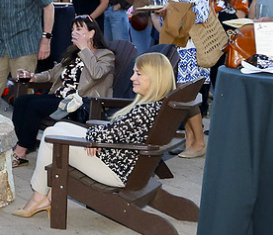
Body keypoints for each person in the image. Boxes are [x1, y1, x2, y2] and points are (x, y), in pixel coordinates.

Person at [15, 52, 175, 218]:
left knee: (51, 139)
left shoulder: (143, 112)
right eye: (134, 72)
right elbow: (115, 133)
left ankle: (39, 198)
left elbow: (110, 134)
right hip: (120, 159)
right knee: (60, 126)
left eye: (139, 74)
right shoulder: (153, 106)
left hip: (116, 170)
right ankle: (45, 197)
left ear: (155, 77)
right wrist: (96, 139)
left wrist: (95, 140)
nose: (132, 78)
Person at [10, 16, 117, 166]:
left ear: (92, 33)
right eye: (73, 30)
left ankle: (21, 151)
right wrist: (33, 77)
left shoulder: (105, 55)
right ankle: (25, 144)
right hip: (61, 98)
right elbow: (52, 73)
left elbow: (97, 73)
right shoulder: (73, 53)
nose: (74, 33)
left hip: (81, 103)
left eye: (79, 29)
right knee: (22, 101)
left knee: (34, 107)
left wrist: (84, 49)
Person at [150, 0, 211, 158]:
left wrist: (173, 8)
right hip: (175, 43)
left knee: (186, 95)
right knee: (180, 94)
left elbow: (203, 14)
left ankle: (200, 142)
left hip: (191, 47)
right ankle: (190, 141)